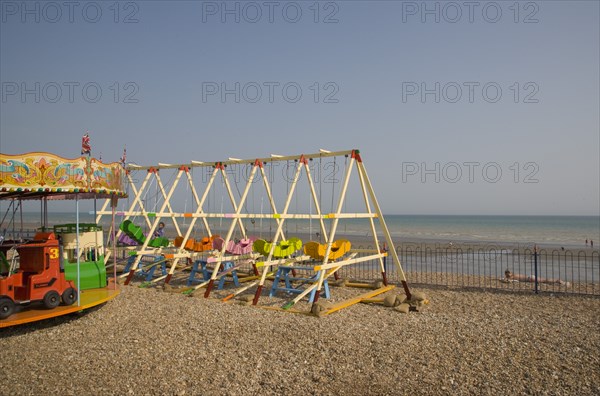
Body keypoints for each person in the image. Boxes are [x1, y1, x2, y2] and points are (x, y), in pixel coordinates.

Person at [504, 269, 570, 287]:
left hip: (530, 278)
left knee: (545, 280)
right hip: (530, 277)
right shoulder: (514, 275)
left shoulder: (512, 277)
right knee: (545, 280)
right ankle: (558, 281)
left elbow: (507, 281)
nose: (508, 276)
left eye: (508, 274)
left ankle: (559, 281)